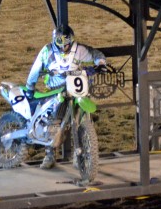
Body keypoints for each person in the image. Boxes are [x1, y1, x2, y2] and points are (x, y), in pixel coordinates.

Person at [25, 25, 107, 169]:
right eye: (60, 42)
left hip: (76, 87)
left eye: (66, 43)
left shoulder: (79, 49)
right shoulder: (47, 51)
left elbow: (95, 54)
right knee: (55, 119)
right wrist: (30, 86)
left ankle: (81, 151)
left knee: (82, 116)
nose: (64, 47)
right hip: (55, 88)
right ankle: (49, 154)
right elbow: (36, 68)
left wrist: (100, 64)